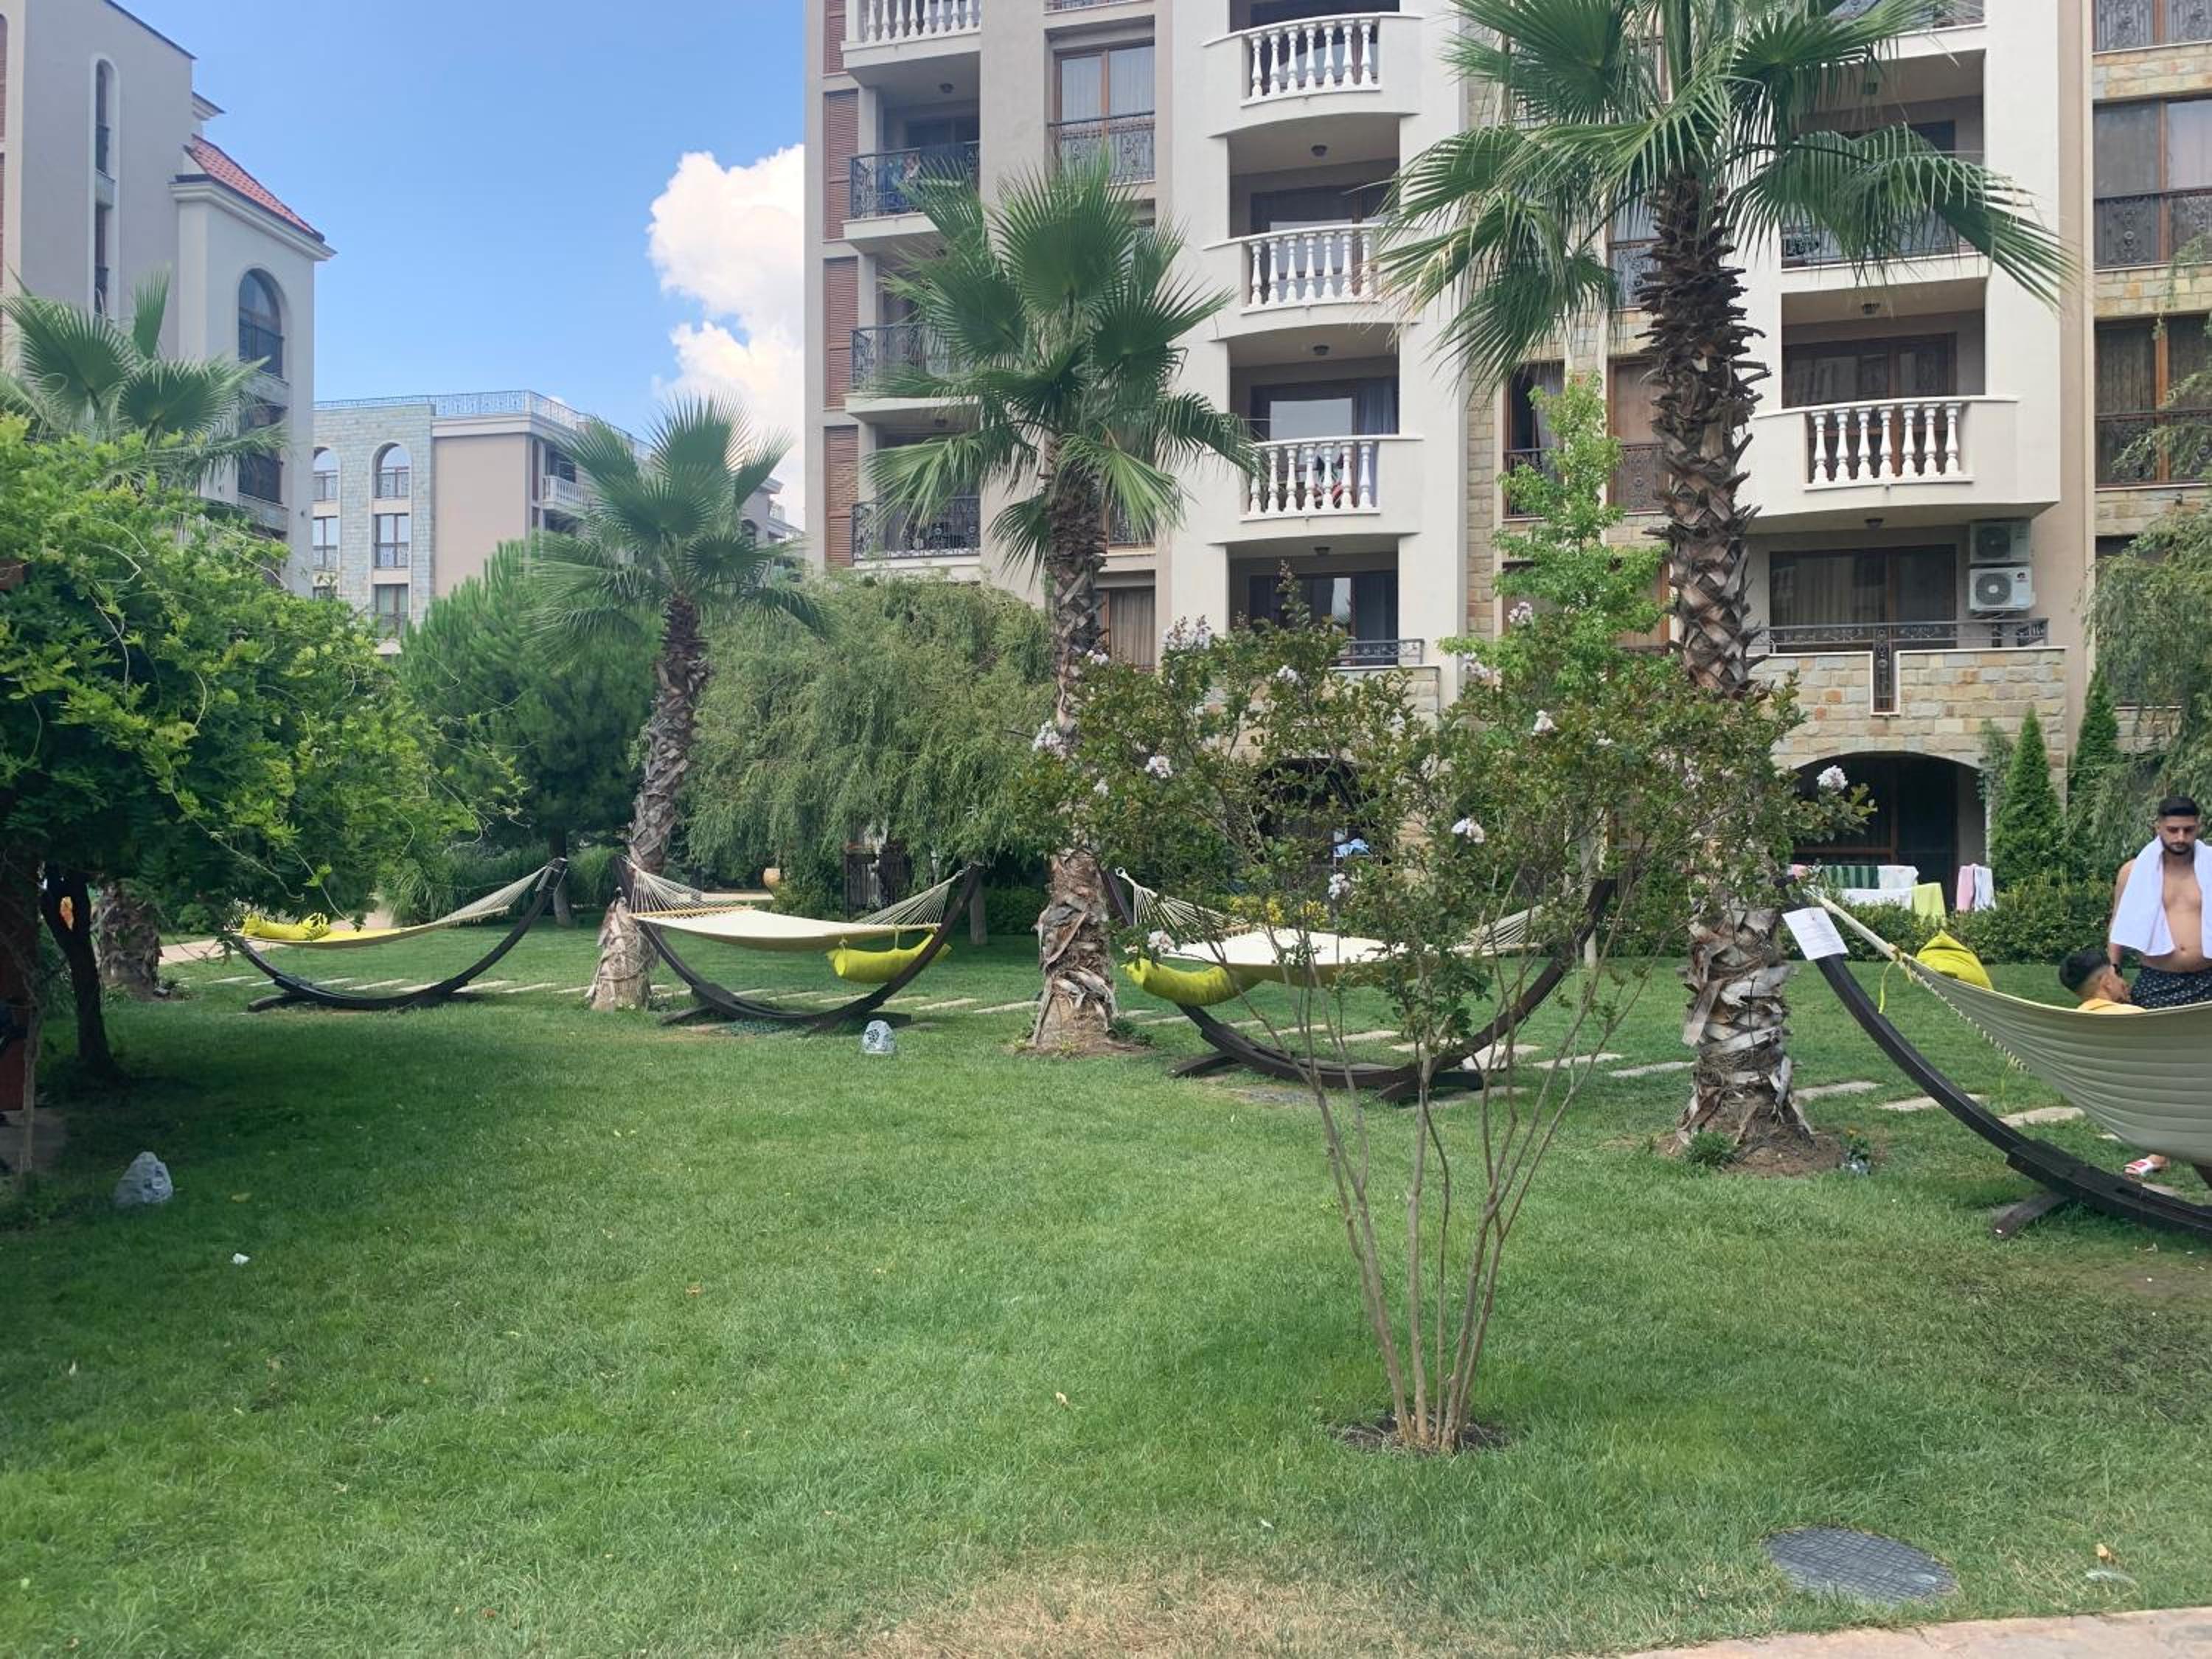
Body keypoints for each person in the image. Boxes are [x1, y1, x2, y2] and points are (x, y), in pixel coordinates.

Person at [2108, 796, 2212, 1009]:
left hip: (2209, 976)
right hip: (2156, 979)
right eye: (2173, 830)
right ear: (2158, 827)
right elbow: (2118, 923)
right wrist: (2114, 969)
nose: (2181, 837)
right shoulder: (2133, 872)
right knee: (2153, 1031)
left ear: (2198, 827)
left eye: (2188, 830)